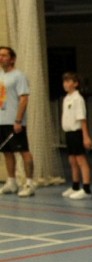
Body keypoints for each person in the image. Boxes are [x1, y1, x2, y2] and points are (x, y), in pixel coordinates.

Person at [0, 46, 35, 197]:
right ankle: (11, 182)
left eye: (4, 55)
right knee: (7, 152)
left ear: (12, 59)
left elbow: (24, 99)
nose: (1, 58)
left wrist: (18, 120)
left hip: (15, 121)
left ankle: (29, 183)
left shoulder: (19, 76)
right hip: (2, 121)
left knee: (23, 151)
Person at [60, 72, 92, 200]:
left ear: (76, 84)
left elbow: (82, 119)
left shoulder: (78, 99)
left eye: (69, 81)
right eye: (65, 82)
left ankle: (86, 189)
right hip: (69, 133)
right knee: (72, 160)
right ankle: (75, 186)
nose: (66, 84)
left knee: (81, 160)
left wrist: (86, 136)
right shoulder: (66, 98)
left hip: (77, 133)